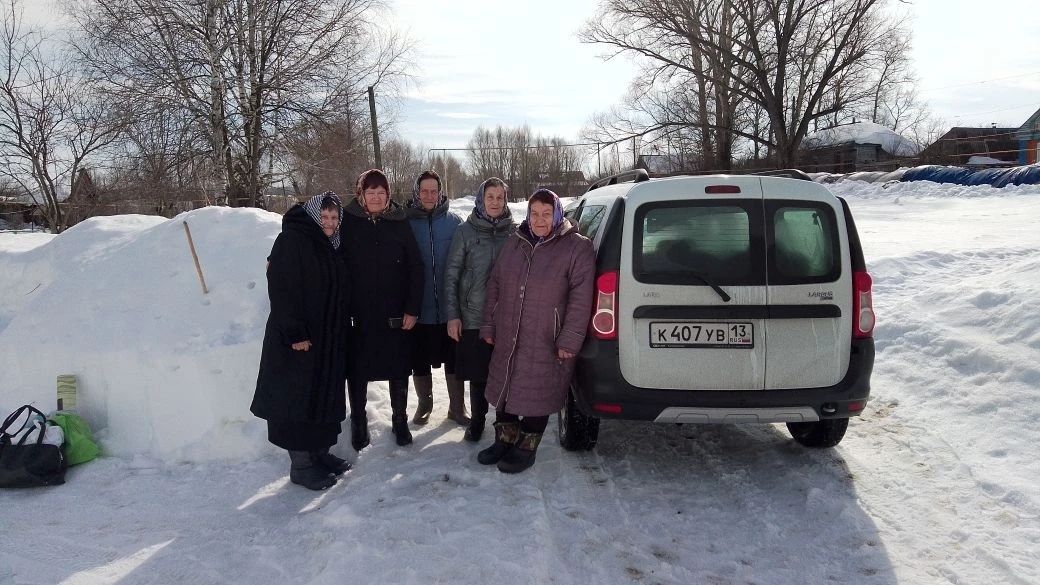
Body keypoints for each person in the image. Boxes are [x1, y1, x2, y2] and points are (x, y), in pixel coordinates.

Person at [477, 188, 596, 473]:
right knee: (506, 385)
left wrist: (569, 338)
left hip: (547, 336)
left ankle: (528, 445)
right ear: (527, 215)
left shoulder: (577, 248)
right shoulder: (514, 243)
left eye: (546, 213)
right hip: (509, 330)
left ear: (557, 214)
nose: (539, 220)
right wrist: (489, 323)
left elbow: (581, 299)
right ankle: (504, 439)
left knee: (537, 390)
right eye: (534, 213)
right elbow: (495, 283)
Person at [251, 192, 351, 491]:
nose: (330, 223)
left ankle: (320, 454)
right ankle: (301, 466)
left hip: (327, 340)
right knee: (298, 403)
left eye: (334, 218)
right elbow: (283, 291)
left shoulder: (330, 246)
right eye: (324, 217)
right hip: (299, 342)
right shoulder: (292, 241)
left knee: (321, 400)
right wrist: (296, 334)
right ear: (311, 216)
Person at [340, 169, 424, 449]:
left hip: (395, 311)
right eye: (370, 192)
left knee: (398, 367)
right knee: (358, 369)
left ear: (388, 195)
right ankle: (359, 420)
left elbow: (415, 266)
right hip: (358, 312)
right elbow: (323, 246)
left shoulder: (399, 222)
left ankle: (399, 419)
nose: (376, 197)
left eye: (381, 192)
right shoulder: (347, 222)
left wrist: (412, 308)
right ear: (360, 194)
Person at [443, 177, 516, 442]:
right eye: (490, 197)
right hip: (473, 315)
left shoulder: (515, 233)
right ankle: (477, 420)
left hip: (505, 318)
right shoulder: (466, 232)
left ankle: (503, 424)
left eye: (499, 197)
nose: (495, 202)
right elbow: (451, 275)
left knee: (505, 373)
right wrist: (453, 315)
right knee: (478, 375)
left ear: (505, 200)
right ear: (481, 199)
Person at [405, 170, 466, 426]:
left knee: (454, 358)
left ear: (440, 192)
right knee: (419, 359)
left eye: (434, 191)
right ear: (416, 193)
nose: (429, 196)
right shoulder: (406, 223)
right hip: (419, 306)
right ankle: (424, 403)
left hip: (450, 305)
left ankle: (457, 407)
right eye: (424, 191)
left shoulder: (455, 222)